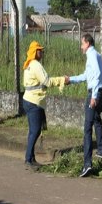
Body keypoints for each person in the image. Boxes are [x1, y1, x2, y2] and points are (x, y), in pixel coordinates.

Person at [65, 34, 102, 177]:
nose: (81, 47)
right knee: (96, 119)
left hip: (95, 93)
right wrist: (70, 79)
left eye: (82, 44)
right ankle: (101, 151)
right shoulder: (95, 54)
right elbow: (86, 75)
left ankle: (87, 164)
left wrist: (94, 96)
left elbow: (95, 75)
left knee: (87, 128)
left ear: (87, 43)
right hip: (101, 91)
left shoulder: (92, 55)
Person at [22, 41, 66, 170]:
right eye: (39, 50)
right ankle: (28, 159)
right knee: (35, 131)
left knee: (33, 131)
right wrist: (62, 80)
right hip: (34, 102)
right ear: (35, 52)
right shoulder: (35, 65)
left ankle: (30, 158)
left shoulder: (29, 64)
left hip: (30, 100)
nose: (42, 52)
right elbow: (46, 81)